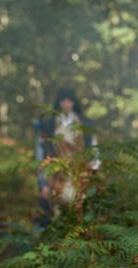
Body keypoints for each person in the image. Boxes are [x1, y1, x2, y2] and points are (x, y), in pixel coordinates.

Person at [35, 87, 100, 227]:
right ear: (59, 102)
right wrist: (43, 183)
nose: (66, 104)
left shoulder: (85, 124)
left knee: (79, 211)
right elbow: (41, 152)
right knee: (55, 213)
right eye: (63, 101)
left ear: (74, 102)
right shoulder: (48, 124)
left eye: (69, 100)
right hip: (56, 174)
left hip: (80, 173)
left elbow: (94, 148)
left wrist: (94, 171)